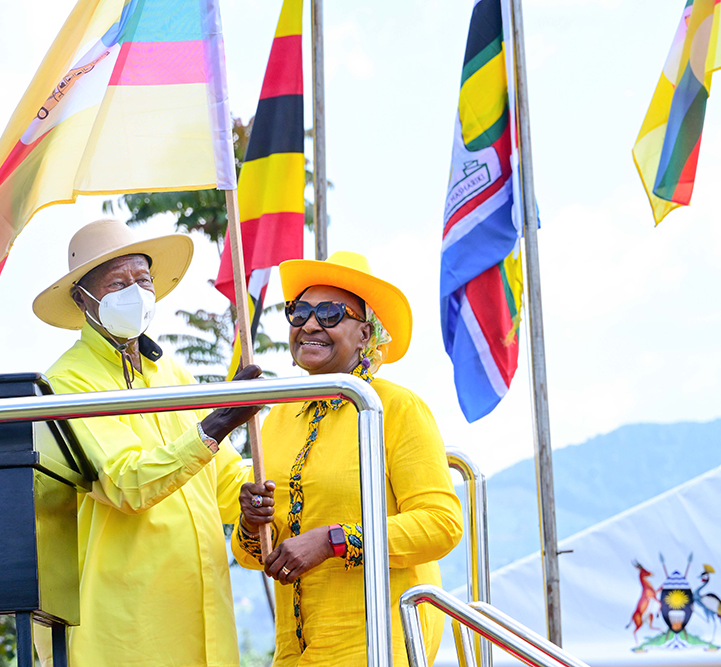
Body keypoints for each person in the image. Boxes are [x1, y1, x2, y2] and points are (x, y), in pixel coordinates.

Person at [31, 218, 261, 667]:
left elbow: (225, 480)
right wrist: (221, 420)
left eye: (143, 280)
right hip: (125, 629)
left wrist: (255, 496)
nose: (134, 293)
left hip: (202, 620)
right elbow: (126, 484)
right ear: (83, 298)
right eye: (118, 283)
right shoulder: (66, 382)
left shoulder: (172, 374)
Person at [233, 251, 463, 666]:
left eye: (331, 313)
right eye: (299, 311)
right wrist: (252, 521)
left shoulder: (395, 407)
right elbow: (255, 556)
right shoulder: (276, 417)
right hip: (294, 650)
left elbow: (441, 523)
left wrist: (334, 540)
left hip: (378, 642)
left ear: (365, 335)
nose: (310, 324)